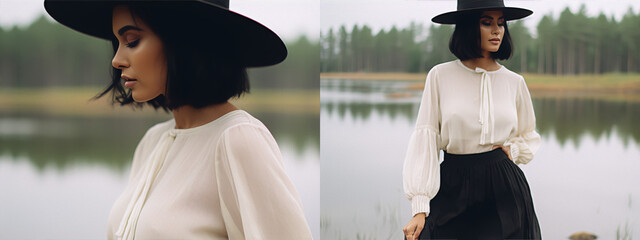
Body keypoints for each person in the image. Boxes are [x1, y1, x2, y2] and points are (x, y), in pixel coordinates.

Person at [43, 1, 312, 239]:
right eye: (117, 43)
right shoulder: (153, 142)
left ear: (181, 40)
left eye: (132, 41)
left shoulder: (237, 139)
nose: (116, 60)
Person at [402, 0, 541, 239]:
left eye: (500, 23)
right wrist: (420, 208)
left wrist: (514, 150)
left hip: (503, 189)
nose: (497, 30)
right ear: (467, 27)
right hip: (452, 186)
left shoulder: (514, 82)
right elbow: (426, 139)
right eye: (487, 23)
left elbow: (529, 135)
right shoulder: (440, 76)